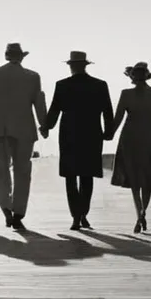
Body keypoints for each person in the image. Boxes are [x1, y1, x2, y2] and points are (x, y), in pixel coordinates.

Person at [42, 51, 113, 231]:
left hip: (69, 134)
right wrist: (108, 132)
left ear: (71, 66)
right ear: (85, 65)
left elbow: (54, 110)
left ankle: (76, 215)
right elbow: (107, 111)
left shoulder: (62, 85)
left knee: (70, 176)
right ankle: (83, 214)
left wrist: (46, 128)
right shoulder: (99, 85)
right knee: (87, 175)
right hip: (92, 133)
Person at [0, 42, 48, 230]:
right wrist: (44, 125)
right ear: (21, 57)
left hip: (0, 129)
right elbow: (39, 102)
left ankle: (5, 208)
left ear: (6, 56)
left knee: (2, 169)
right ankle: (19, 213)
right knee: (22, 171)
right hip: (24, 129)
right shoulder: (33, 77)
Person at [108, 61, 151, 233]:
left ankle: (140, 215)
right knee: (148, 180)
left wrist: (109, 134)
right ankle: (142, 212)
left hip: (130, 136)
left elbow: (118, 118)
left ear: (132, 78)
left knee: (134, 179)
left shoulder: (126, 94)